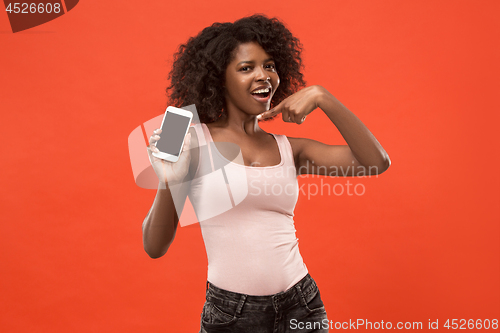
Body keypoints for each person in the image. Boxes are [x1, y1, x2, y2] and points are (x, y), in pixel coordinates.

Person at [143, 14, 390, 333]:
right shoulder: (191, 141)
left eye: (269, 66)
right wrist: (170, 180)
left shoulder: (292, 149)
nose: (264, 76)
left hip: (302, 305)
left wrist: (322, 97)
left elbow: (376, 161)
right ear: (220, 78)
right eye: (247, 68)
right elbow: (154, 246)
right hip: (231, 315)